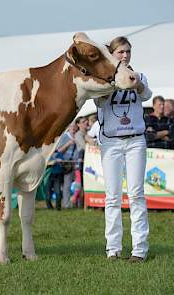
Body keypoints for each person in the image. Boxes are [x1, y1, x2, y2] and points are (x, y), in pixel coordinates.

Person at [95, 36, 152, 262]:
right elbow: (99, 104)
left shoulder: (139, 75)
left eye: (128, 51)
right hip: (111, 142)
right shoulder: (104, 79)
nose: (125, 55)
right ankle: (113, 248)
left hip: (135, 140)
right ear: (112, 54)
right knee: (112, 197)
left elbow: (146, 95)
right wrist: (112, 83)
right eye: (120, 52)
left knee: (136, 194)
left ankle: (139, 248)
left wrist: (135, 81)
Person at [57, 122, 78, 209]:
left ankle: (76, 203)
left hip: (77, 164)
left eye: (74, 126)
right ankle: (66, 204)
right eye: (71, 126)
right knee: (67, 185)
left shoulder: (78, 136)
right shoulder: (64, 137)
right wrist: (68, 144)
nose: (73, 128)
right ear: (68, 127)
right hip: (66, 164)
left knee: (77, 185)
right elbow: (58, 150)